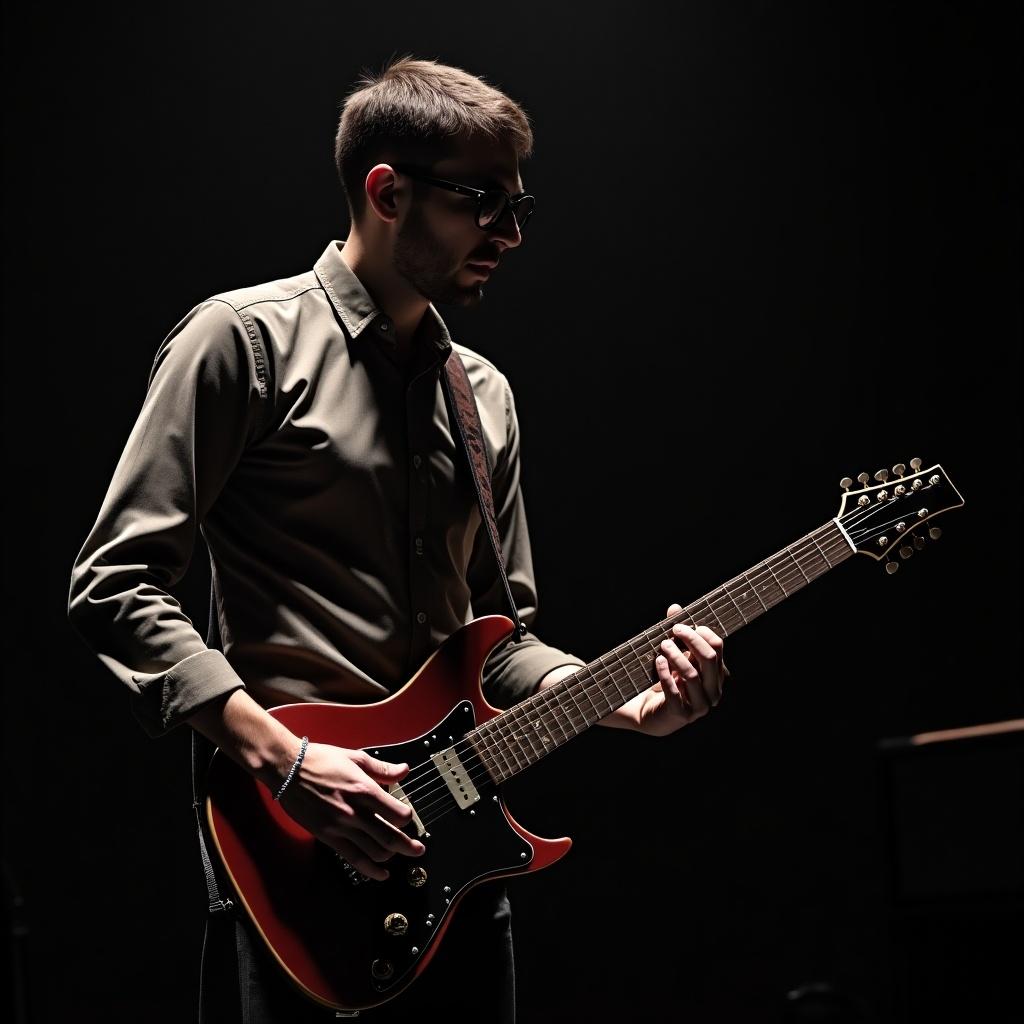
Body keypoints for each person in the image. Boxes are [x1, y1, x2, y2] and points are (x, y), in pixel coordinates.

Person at [66, 54, 728, 1023]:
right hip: (297, 855)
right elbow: (116, 584)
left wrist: (627, 704)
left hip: (455, 867)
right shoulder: (241, 344)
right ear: (385, 191)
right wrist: (284, 758)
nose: (507, 232)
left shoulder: (485, 397)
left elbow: (499, 639)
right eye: (481, 202)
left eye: (518, 208)